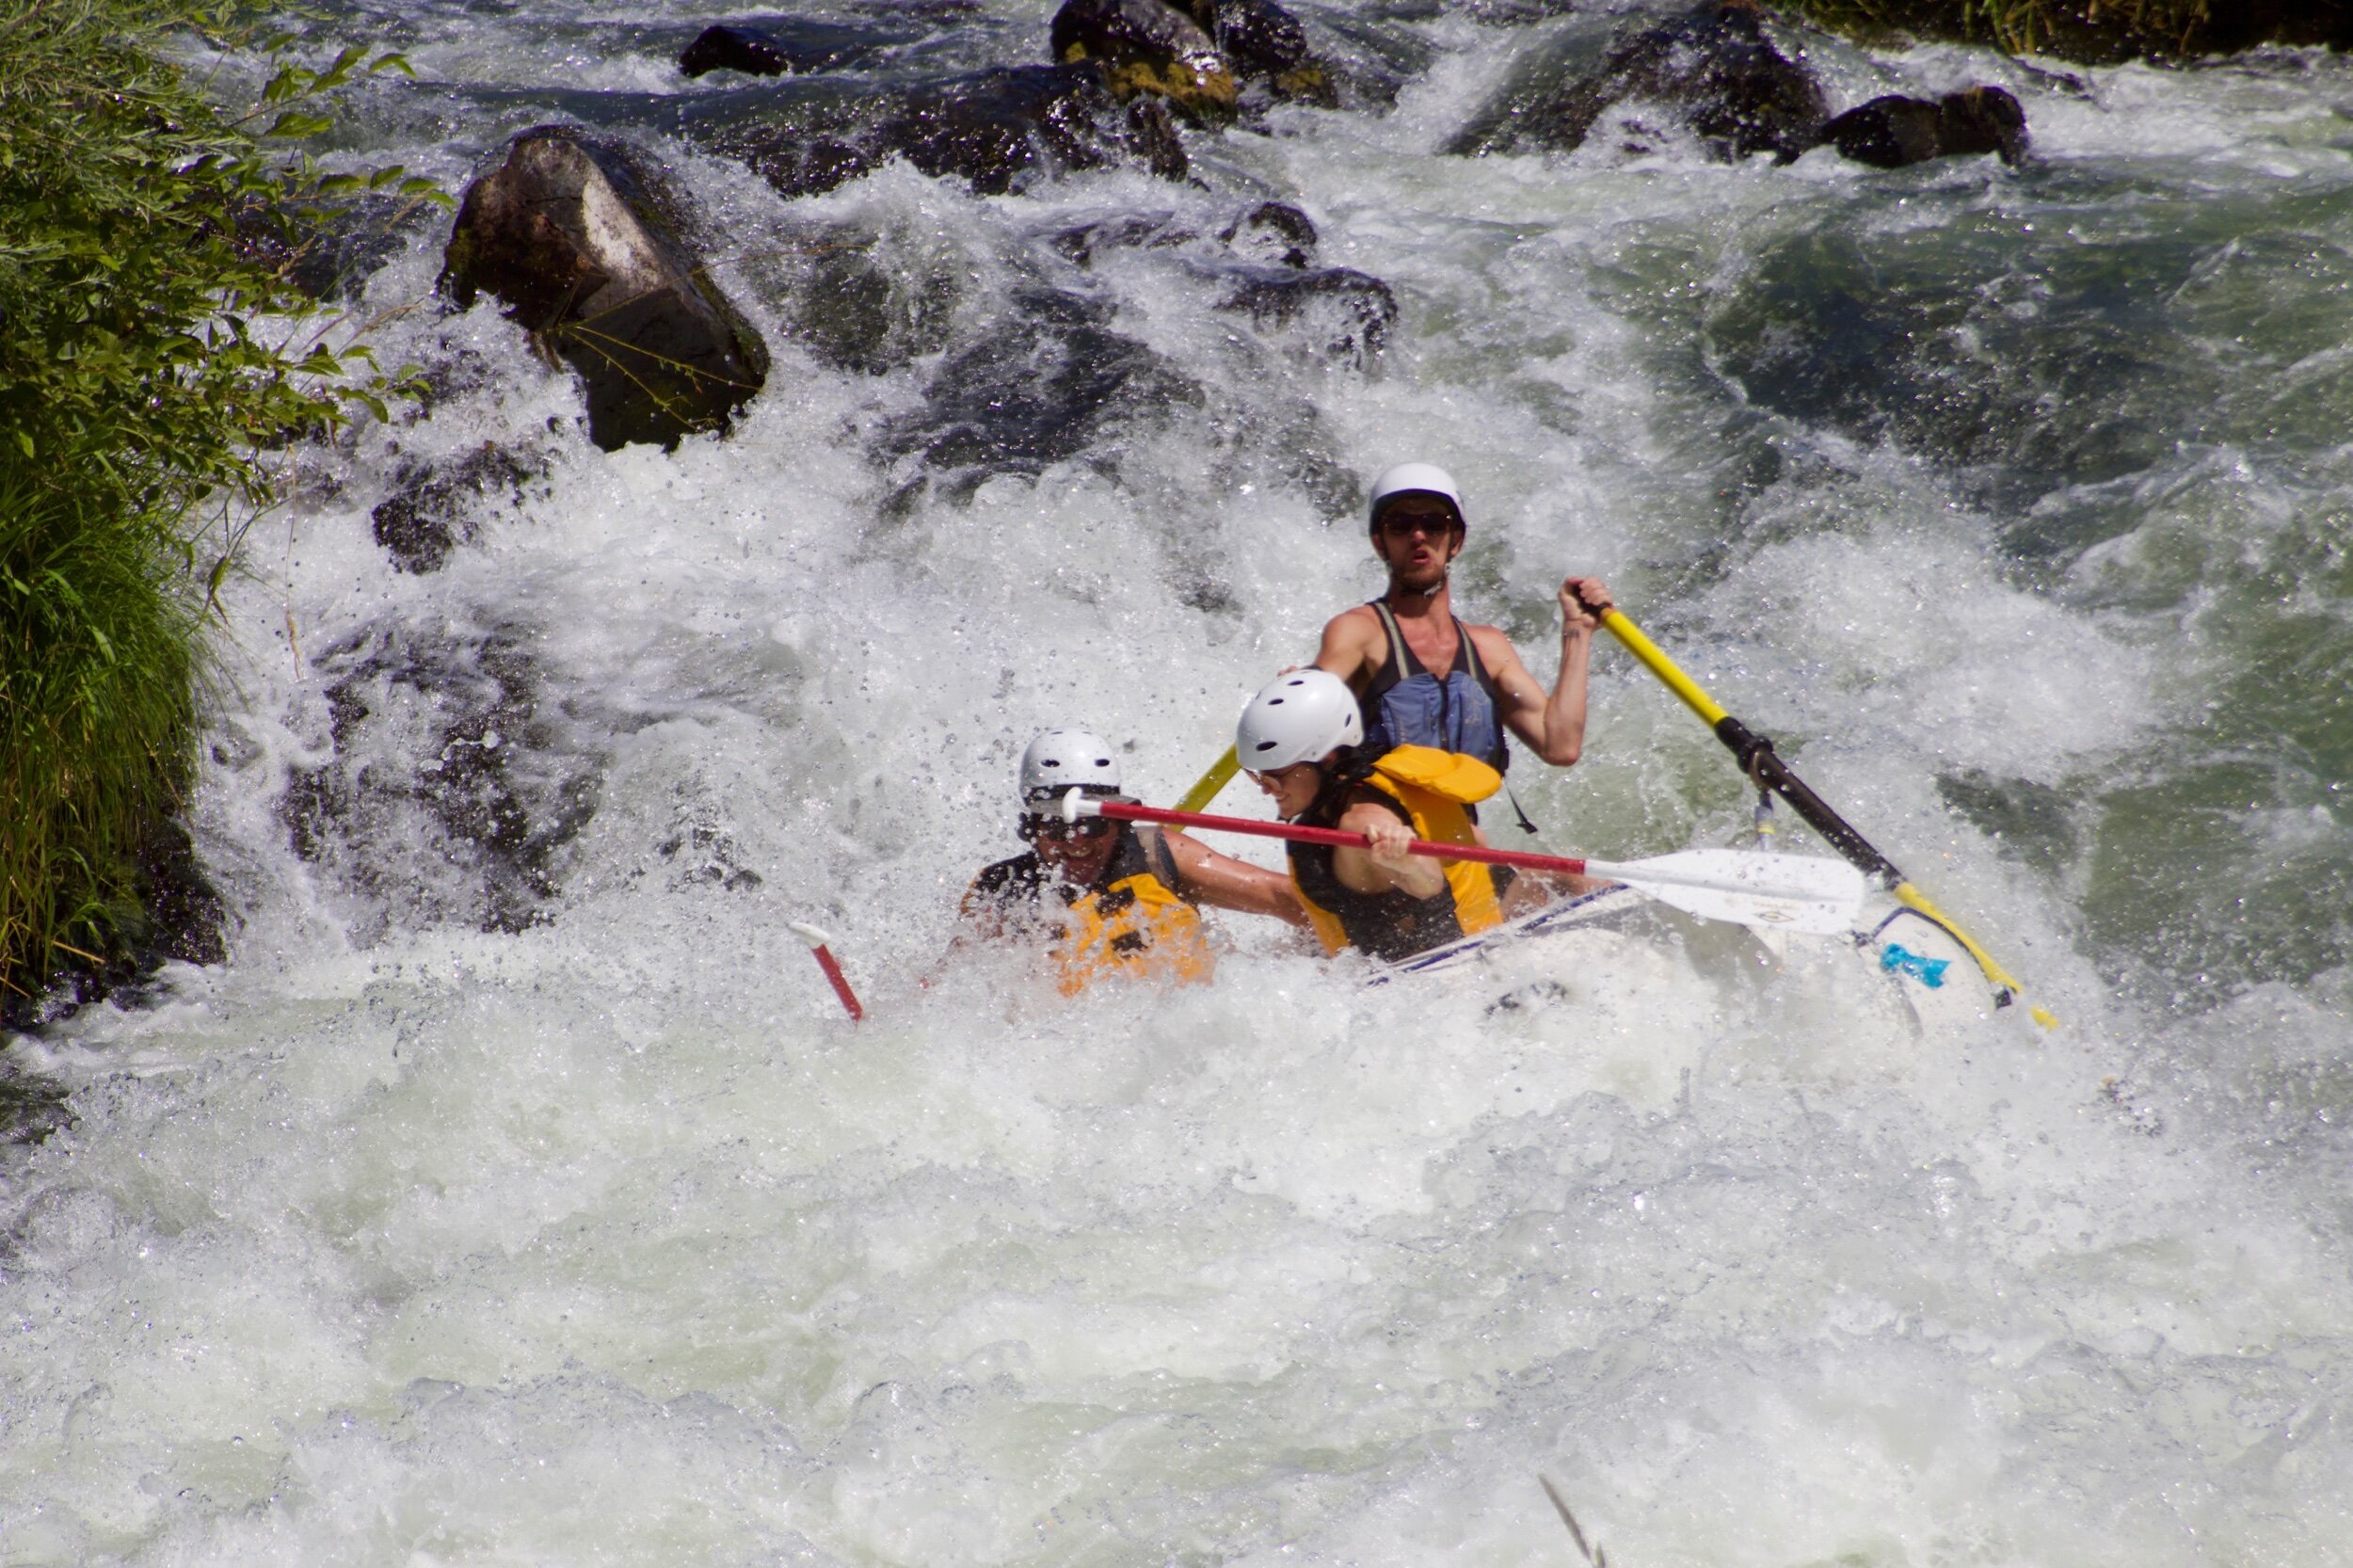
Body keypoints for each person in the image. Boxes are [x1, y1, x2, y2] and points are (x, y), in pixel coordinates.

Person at [1313, 462, 1615, 787]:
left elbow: (1560, 746)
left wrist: (1578, 632)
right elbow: (1305, 719)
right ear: (1379, 542)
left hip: (1452, 831)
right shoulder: (1358, 632)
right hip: (1372, 825)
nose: (1418, 536)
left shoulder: (1488, 649)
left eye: (1433, 524)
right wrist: (1298, 695)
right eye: (1399, 525)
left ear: (1455, 540)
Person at [961, 728, 1305, 994]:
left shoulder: (1160, 854)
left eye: (1092, 823)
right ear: (1031, 828)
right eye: (1055, 825)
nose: (1076, 840)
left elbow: (1288, 899)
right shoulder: (1002, 890)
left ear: (1117, 821)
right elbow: (954, 983)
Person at [1235, 669, 1513, 963]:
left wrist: (1408, 862)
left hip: (1446, 973)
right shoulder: (1377, 782)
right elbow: (1475, 841)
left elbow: (1428, 883)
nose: (1266, 790)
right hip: (1488, 929)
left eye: (1275, 778)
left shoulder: (1361, 823)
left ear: (1325, 759)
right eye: (1259, 778)